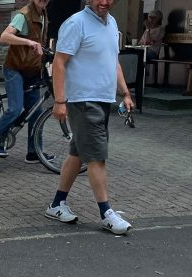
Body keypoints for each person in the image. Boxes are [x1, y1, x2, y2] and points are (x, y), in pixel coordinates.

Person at [43, 0, 133, 235]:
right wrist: (60, 100)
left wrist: (125, 93)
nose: (105, 2)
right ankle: (106, 213)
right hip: (83, 100)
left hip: (103, 99)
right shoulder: (76, 23)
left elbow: (113, 62)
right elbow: (60, 62)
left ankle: (56, 204)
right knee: (97, 157)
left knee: (78, 153)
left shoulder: (112, 23)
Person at [0, 0, 50, 163]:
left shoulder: (44, 14)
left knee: (35, 111)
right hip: (15, 68)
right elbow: (4, 37)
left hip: (31, 70)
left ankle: (34, 152)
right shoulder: (23, 15)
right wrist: (28, 42)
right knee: (15, 108)